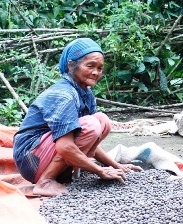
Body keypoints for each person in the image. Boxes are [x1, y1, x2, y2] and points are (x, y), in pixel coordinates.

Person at [13, 37, 142, 196]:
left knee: (102, 121)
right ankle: (45, 181)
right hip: (31, 160)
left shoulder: (86, 94)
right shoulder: (64, 95)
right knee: (91, 125)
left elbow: (89, 139)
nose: (96, 72)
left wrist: (117, 166)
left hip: (45, 153)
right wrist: (100, 171)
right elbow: (65, 146)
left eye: (100, 68)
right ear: (71, 65)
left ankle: (66, 171)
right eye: (90, 66)